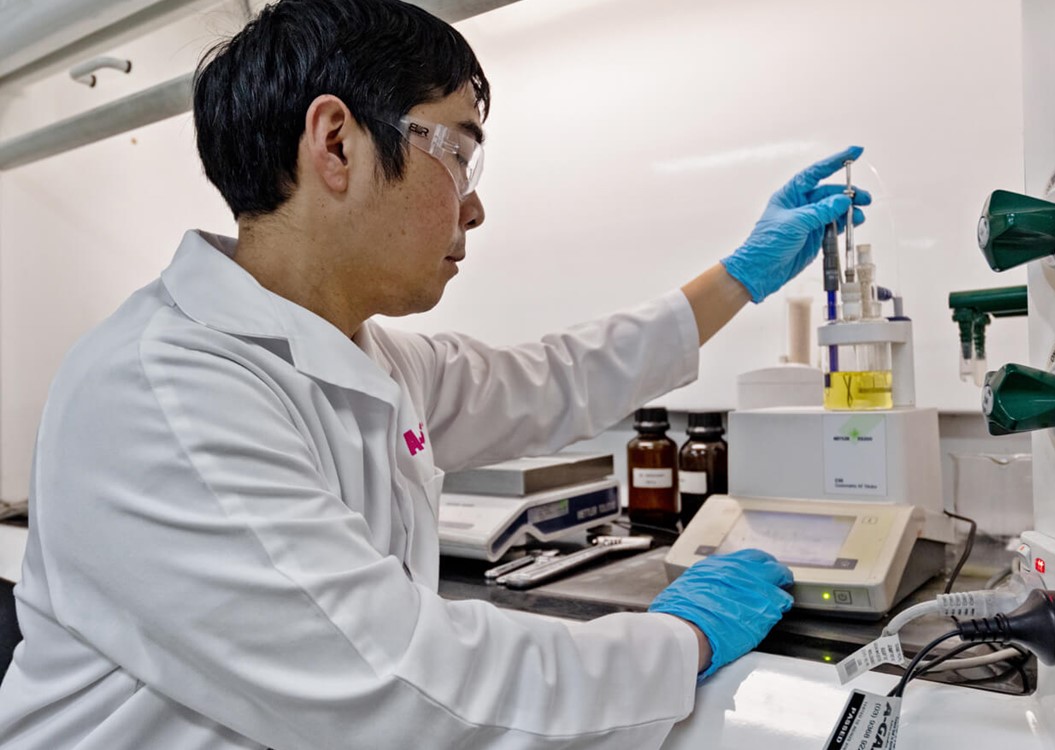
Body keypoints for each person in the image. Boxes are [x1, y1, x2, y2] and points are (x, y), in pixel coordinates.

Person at [0, 1, 870, 748]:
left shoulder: (354, 356)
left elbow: (552, 379)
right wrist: (676, 641)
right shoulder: (166, 391)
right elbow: (404, 692)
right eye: (458, 152)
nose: (474, 202)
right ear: (335, 143)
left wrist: (739, 277)